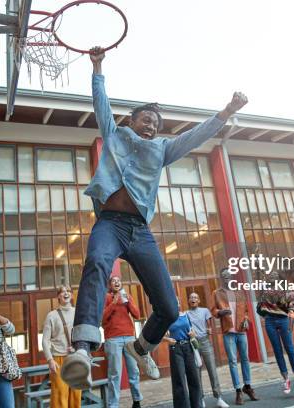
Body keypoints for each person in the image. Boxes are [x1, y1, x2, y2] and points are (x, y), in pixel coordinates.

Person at [60, 45, 248, 390]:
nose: (151, 126)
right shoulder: (115, 134)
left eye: (156, 123)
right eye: (146, 119)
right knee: (97, 263)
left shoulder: (162, 149)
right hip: (110, 224)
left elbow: (194, 137)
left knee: (167, 305)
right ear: (131, 120)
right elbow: (100, 101)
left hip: (139, 232)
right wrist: (98, 66)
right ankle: (82, 350)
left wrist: (226, 111)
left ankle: (141, 347)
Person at [212, 268, 258, 405]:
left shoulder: (240, 292)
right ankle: (238, 390)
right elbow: (213, 310)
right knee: (232, 361)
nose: (227, 278)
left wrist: (245, 318)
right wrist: (220, 312)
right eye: (224, 276)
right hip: (228, 332)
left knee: (245, 358)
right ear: (221, 278)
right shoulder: (217, 293)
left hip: (241, 330)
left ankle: (248, 387)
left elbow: (246, 311)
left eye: (229, 276)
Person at [256, 271, 294, 394]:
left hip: (283, 320)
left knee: (290, 348)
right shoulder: (265, 290)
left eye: (274, 275)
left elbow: (293, 303)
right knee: (277, 350)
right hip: (270, 321)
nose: (272, 277)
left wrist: (291, 312)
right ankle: (286, 380)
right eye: (270, 275)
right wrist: (265, 313)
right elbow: (259, 306)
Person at [102, 276, 144, 408]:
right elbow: (102, 319)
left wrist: (128, 302)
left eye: (119, 280)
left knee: (134, 370)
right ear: (110, 285)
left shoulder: (127, 296)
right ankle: (113, 405)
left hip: (129, 337)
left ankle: (136, 401)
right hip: (113, 339)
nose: (117, 282)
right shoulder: (106, 298)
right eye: (114, 281)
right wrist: (113, 303)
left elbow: (137, 315)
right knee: (115, 373)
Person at [186, 293, 229, 408]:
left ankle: (219, 398)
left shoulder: (205, 310)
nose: (193, 299)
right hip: (193, 344)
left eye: (195, 297)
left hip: (205, 342)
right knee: (196, 372)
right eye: (191, 298)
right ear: (189, 301)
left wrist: (209, 329)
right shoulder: (186, 314)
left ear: (199, 300)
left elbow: (209, 324)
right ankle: (201, 399)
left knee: (212, 370)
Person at [42, 286, 82, 408]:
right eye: (63, 291)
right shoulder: (51, 315)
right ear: (58, 296)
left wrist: (78, 347)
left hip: (76, 358)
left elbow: (83, 335)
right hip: (58, 360)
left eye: (68, 291)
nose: (66, 293)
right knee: (60, 396)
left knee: (76, 395)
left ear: (72, 295)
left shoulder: (78, 313)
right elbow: (45, 340)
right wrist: (50, 360)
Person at [164, 297, 203, 408]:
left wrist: (193, 334)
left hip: (188, 347)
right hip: (175, 349)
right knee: (179, 380)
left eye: (177, 302)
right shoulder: (167, 318)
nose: (175, 304)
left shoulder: (185, 315)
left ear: (179, 303)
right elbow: (158, 334)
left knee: (194, 378)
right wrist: (167, 340)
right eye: (173, 302)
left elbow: (191, 330)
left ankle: (197, 405)